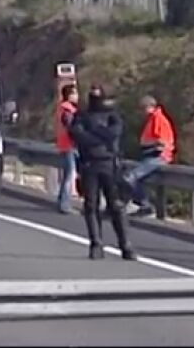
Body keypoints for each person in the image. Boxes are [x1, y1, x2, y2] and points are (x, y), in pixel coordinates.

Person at [69, 84, 135, 261]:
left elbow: (115, 133)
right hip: (89, 164)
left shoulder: (112, 115)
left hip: (109, 165)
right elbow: (77, 135)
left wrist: (93, 132)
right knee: (91, 205)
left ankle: (126, 245)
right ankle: (96, 244)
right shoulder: (81, 116)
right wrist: (100, 137)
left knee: (116, 206)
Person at [124, 95, 177, 217]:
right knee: (138, 179)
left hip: (160, 156)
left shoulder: (158, 119)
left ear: (150, 107)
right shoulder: (152, 119)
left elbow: (163, 141)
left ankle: (145, 205)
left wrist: (149, 144)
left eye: (143, 108)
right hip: (151, 155)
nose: (142, 112)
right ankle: (144, 205)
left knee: (130, 177)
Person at [55, 84, 80, 214]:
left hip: (64, 144)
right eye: (74, 93)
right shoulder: (68, 110)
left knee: (67, 175)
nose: (77, 96)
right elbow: (71, 128)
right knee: (70, 175)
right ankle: (65, 204)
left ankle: (61, 200)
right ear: (69, 96)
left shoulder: (63, 108)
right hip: (69, 145)